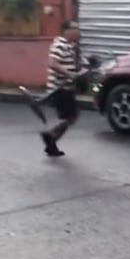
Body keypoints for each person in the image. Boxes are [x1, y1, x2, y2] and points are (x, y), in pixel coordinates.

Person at [40, 20, 84, 157]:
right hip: (60, 88)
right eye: (74, 28)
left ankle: (51, 145)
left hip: (66, 87)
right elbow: (52, 63)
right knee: (70, 117)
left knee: (70, 117)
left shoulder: (70, 46)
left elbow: (71, 64)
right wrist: (69, 74)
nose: (77, 31)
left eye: (78, 28)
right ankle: (50, 135)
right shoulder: (60, 45)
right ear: (66, 30)